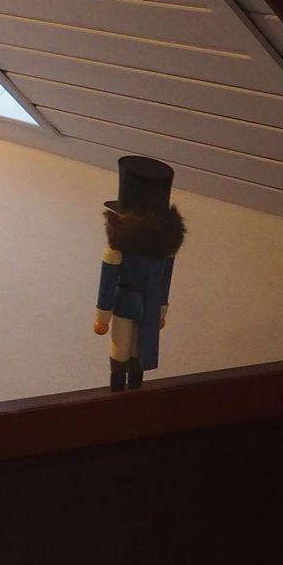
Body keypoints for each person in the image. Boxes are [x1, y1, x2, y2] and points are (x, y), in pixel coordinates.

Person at [94, 156, 183, 390]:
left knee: (139, 351)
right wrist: (103, 317)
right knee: (121, 348)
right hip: (128, 303)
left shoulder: (164, 255)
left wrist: (160, 310)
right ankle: (118, 388)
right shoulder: (117, 253)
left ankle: (133, 389)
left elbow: (164, 282)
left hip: (148, 304)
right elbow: (107, 283)